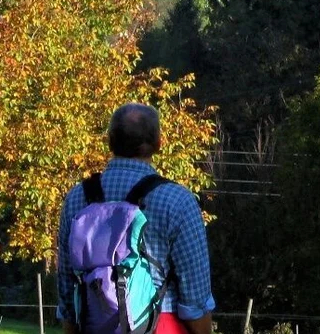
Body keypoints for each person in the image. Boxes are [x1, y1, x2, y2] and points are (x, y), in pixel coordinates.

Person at [57, 104, 215, 334]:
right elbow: (195, 296)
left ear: (110, 141)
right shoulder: (178, 200)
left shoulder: (77, 197)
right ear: (158, 144)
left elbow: (67, 281)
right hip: (158, 324)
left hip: (94, 324)